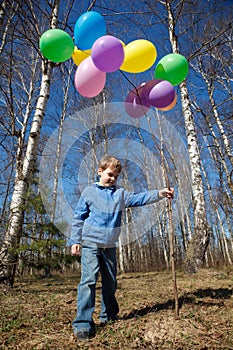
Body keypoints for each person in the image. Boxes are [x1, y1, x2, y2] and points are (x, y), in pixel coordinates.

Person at [69, 155, 174, 340]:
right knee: (89, 281)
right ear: (100, 171)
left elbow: (139, 198)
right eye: (110, 174)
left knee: (110, 282)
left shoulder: (121, 194)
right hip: (91, 243)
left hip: (110, 245)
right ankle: (83, 324)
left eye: (116, 176)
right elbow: (78, 217)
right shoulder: (89, 192)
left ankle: (108, 315)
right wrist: (75, 240)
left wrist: (160, 193)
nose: (112, 178)